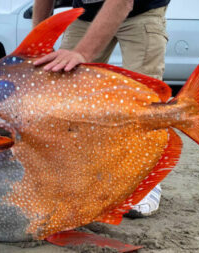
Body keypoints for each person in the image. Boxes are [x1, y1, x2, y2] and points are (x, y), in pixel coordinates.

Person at [32, 0, 170, 217]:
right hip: (87, 14)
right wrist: (39, 42)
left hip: (142, 9)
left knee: (144, 97)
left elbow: (122, 2)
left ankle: (145, 181)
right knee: (63, 92)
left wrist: (83, 54)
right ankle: (77, 178)